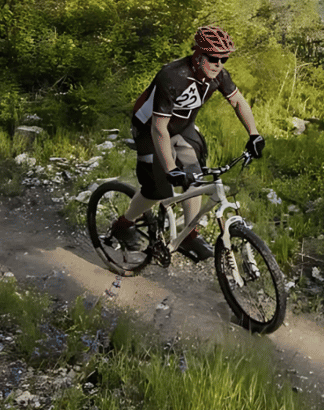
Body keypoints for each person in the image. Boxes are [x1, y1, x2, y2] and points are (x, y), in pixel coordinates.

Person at [108, 25, 265, 261]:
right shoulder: (172, 76)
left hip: (182, 127)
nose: (219, 64)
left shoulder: (218, 75)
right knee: (157, 189)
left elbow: (238, 102)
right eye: (213, 58)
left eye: (224, 59)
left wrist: (254, 134)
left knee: (195, 176)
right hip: (149, 128)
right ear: (198, 54)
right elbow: (159, 127)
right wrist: (170, 169)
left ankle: (189, 234)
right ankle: (124, 223)